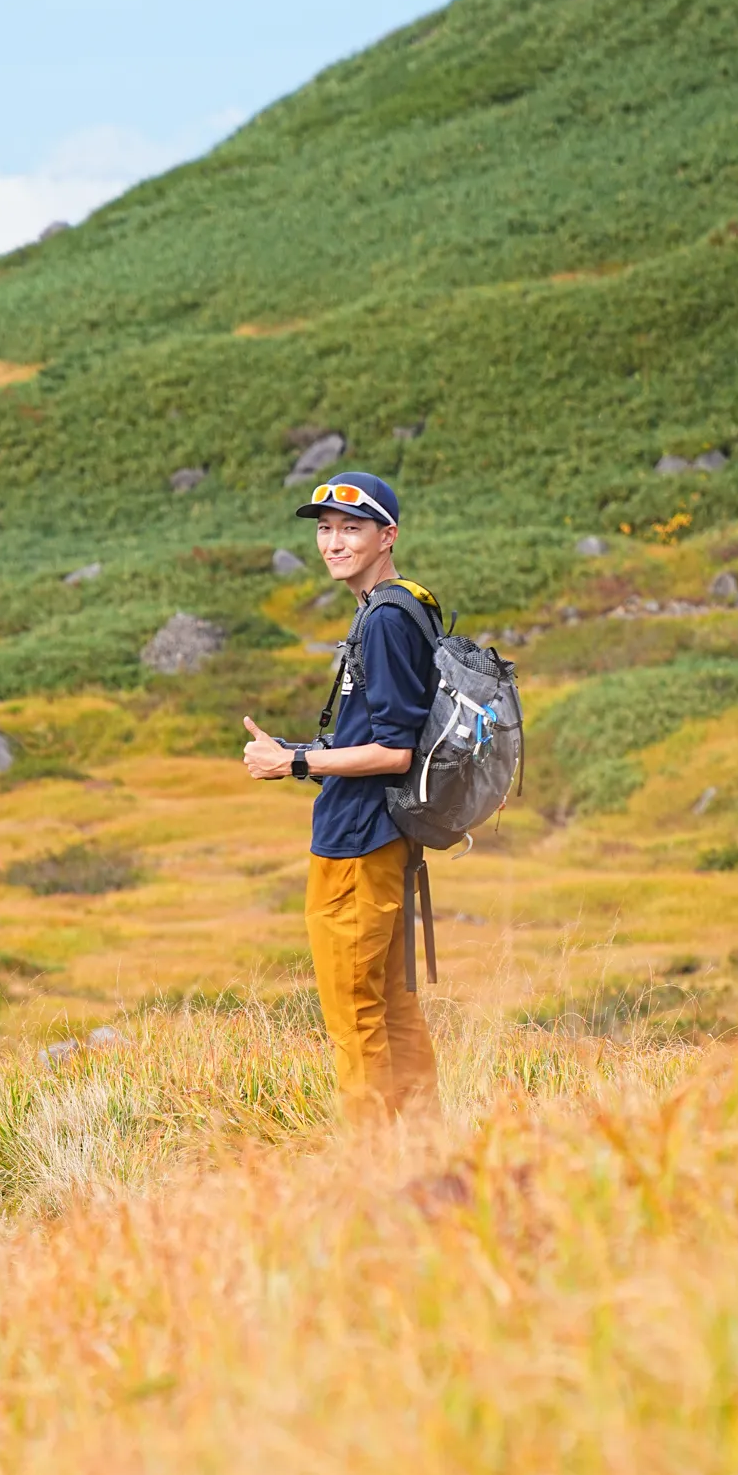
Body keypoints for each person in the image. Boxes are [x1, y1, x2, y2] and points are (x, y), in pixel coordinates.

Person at [243, 472, 439, 1119]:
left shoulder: (384, 620)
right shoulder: (403, 604)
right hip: (385, 834)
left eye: (351, 528)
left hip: (358, 841)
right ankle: (425, 1148)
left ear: (388, 536)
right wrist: (295, 751)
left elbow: (395, 750)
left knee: (353, 1014)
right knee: (390, 1002)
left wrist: (293, 761)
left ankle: (369, 1171)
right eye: (325, 529)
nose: (333, 542)